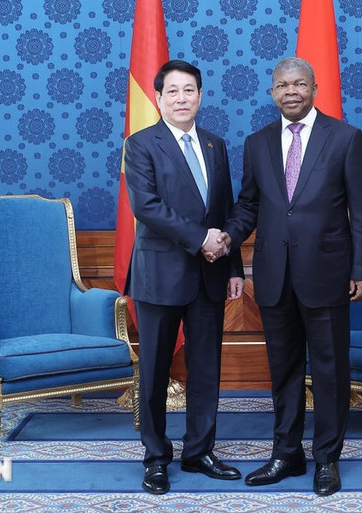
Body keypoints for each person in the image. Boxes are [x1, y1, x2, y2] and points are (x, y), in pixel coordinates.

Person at [218, 57, 362, 496]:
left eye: (300, 84)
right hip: (274, 276)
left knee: (329, 372)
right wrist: (228, 237)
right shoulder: (257, 143)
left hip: (328, 274)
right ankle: (286, 453)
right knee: (284, 370)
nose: (291, 91)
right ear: (272, 92)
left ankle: (326, 458)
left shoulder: (344, 138)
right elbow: (249, 205)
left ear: (314, 89)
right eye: (283, 85)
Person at [123, 59, 245, 495]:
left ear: (200, 96)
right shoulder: (141, 144)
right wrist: (201, 239)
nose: (181, 98)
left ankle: (199, 451)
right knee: (155, 370)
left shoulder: (215, 144)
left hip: (210, 275)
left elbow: (225, 209)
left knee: (206, 368)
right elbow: (147, 207)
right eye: (172, 91)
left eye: (188, 90)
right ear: (158, 98)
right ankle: (156, 457)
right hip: (159, 275)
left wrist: (232, 265)